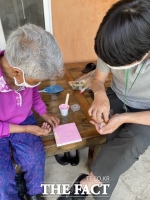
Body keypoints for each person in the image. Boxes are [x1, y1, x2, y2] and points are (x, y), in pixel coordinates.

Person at [57, 0, 150, 199]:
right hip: (116, 95)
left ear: (144, 53)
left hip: (146, 111)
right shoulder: (113, 42)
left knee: (135, 139)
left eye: (118, 64)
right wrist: (99, 95)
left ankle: (85, 185)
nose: (110, 65)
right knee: (113, 137)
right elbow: (98, 79)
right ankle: (95, 189)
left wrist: (124, 118)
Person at [0, 23, 63, 200]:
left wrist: (43, 112)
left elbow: (33, 93)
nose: (36, 85)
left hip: (24, 119)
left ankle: (35, 193)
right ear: (16, 72)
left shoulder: (23, 74)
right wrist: (27, 129)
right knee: (2, 179)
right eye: (35, 80)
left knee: (34, 157)